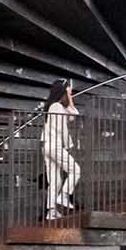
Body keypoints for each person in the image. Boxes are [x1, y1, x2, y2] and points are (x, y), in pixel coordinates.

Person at [42, 80, 80, 219]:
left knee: (55, 180)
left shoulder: (52, 106)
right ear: (62, 91)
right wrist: (67, 144)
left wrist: (70, 97)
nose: (69, 94)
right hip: (55, 145)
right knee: (75, 170)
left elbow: (74, 114)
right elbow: (62, 127)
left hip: (47, 146)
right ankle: (64, 196)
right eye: (68, 91)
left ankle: (51, 211)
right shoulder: (57, 106)